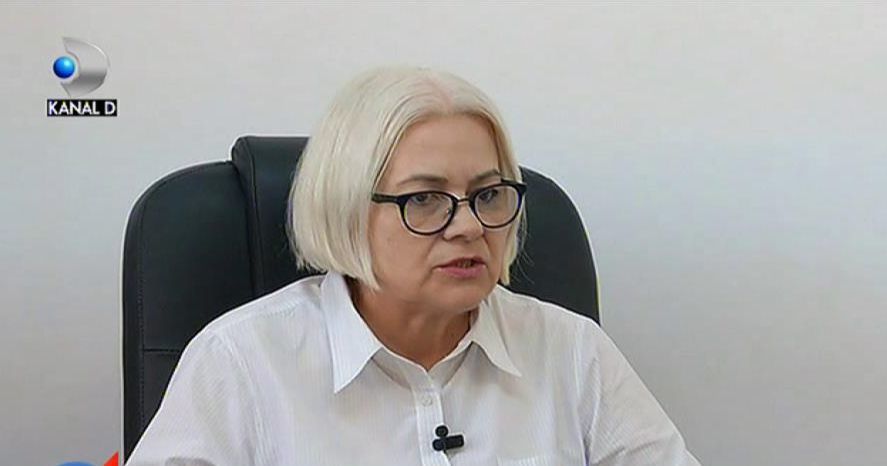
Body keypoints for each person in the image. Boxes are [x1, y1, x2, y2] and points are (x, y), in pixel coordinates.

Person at [125, 66, 701, 465]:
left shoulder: (572, 352)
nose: (469, 226)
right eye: (425, 199)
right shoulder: (241, 361)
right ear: (348, 210)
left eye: (489, 194)